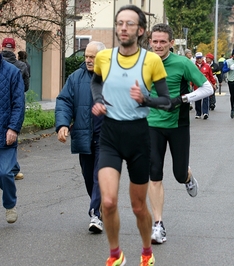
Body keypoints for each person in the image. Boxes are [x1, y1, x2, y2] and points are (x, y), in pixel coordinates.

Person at [91, 5, 171, 266]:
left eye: (129, 24)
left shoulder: (152, 61)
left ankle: (147, 251)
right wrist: (98, 100)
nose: (123, 28)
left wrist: (145, 98)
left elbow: (166, 101)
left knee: (138, 207)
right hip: (111, 135)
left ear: (141, 30)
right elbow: (96, 81)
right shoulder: (104, 58)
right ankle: (115, 255)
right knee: (109, 201)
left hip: (138, 136)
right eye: (119, 23)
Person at [147, 23, 213, 245]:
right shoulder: (142, 63)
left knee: (177, 174)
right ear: (150, 42)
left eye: (162, 41)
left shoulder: (182, 63)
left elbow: (208, 88)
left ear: (171, 43)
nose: (158, 45)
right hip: (151, 124)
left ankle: (187, 176)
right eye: (154, 41)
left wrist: (182, 99)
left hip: (178, 125)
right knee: (154, 173)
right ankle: (158, 225)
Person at [55, 41, 106, 234]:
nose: (88, 60)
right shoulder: (75, 78)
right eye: (86, 56)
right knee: (88, 177)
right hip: (84, 135)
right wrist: (62, 124)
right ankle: (98, 207)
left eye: (92, 57)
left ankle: (94, 214)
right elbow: (64, 101)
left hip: (107, 137)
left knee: (100, 175)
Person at [0, 38, 25, 230]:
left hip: (4, 131)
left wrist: (13, 128)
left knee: (3, 173)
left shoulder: (12, 73)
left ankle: (10, 204)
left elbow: (18, 103)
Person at [1, 38, 30, 181]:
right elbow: (26, 87)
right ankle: (13, 169)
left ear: (1, 48)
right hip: (14, 105)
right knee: (12, 135)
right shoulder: (21, 66)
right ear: (13, 49)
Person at [193, 52, 216, 119]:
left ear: (202, 58)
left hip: (205, 85)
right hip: (197, 85)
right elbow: (191, 76)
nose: (199, 59)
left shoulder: (207, 66)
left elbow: (211, 75)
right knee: (197, 99)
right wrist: (190, 84)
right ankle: (198, 113)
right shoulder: (193, 66)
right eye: (198, 58)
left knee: (206, 99)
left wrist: (213, 83)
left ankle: (205, 113)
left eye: (200, 58)